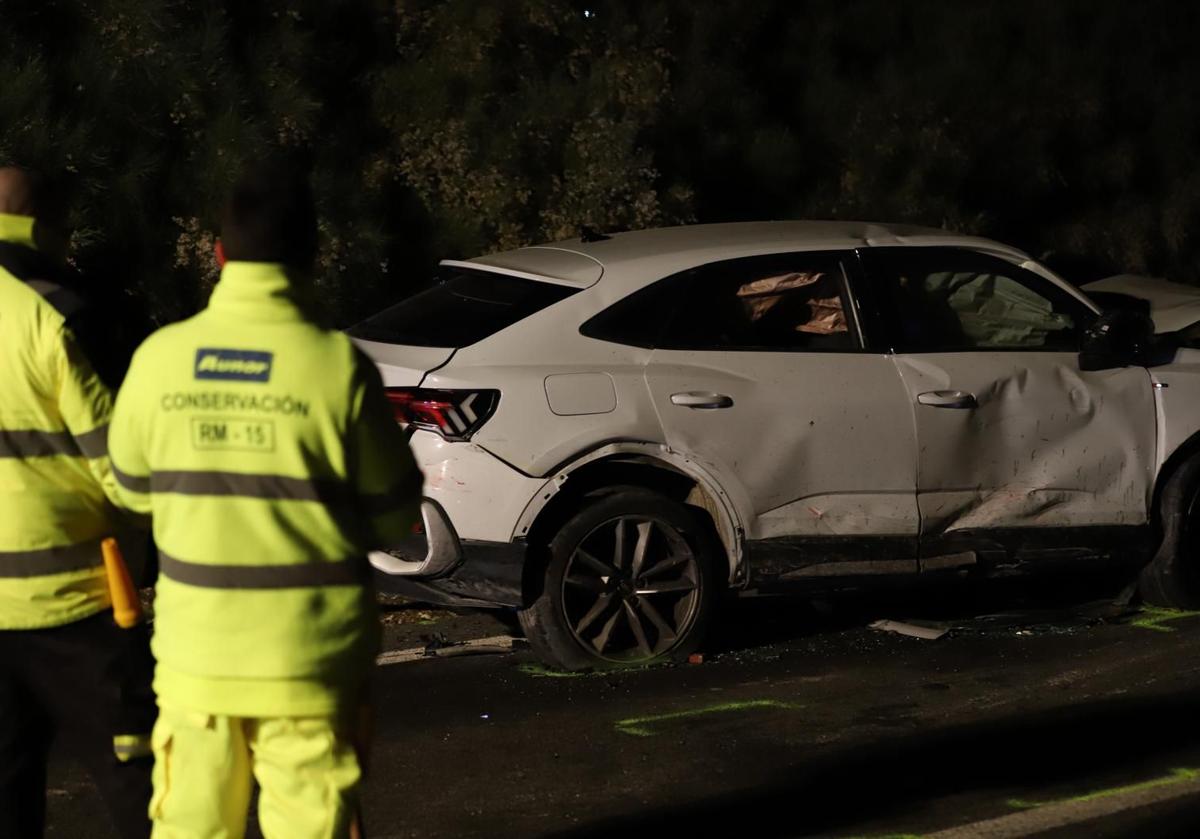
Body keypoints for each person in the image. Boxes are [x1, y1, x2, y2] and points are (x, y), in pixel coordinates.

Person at [108, 164, 422, 838]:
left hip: (198, 664)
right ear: (311, 254)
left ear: (219, 255)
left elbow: (130, 494)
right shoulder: (338, 367)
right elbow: (396, 515)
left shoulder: (160, 360)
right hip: (308, 666)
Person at [0, 166, 156, 839]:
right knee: (138, 781)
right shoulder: (58, 310)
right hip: (78, 602)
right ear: (46, 227)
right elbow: (124, 471)